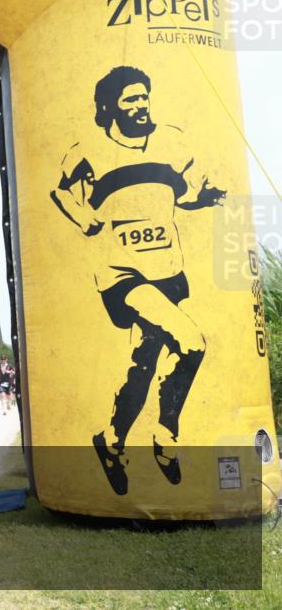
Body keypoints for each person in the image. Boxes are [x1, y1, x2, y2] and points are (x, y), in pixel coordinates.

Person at [51, 66, 221, 495]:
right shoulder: (89, 148)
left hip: (168, 270)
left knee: (142, 366)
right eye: (130, 99)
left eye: (144, 96)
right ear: (109, 106)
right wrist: (83, 216)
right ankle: (166, 438)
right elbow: (61, 190)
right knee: (193, 341)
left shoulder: (171, 141)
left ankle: (110, 442)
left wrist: (205, 198)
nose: (140, 105)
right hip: (122, 274)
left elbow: (183, 195)